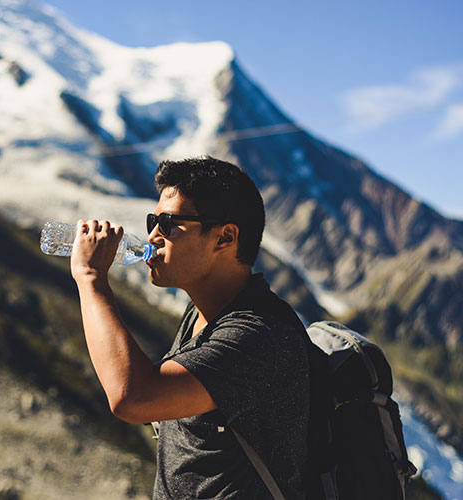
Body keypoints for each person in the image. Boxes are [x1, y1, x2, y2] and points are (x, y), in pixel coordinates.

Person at [70, 156, 311, 499]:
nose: (152, 236)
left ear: (225, 237)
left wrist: (90, 277)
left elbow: (133, 397)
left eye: (167, 224)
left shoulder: (257, 335)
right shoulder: (205, 311)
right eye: (153, 220)